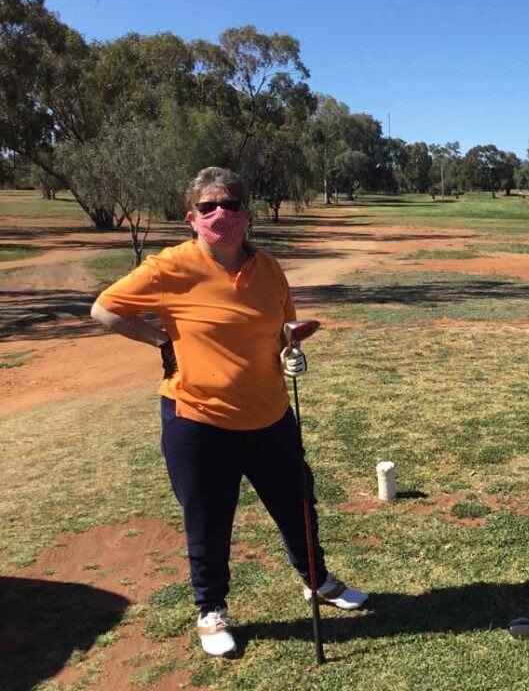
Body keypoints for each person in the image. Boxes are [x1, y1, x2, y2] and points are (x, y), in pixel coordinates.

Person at [91, 167, 367, 657]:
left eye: (232, 204)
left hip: (271, 416)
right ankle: (211, 609)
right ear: (190, 217)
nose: (222, 214)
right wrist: (161, 340)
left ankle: (317, 580)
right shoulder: (167, 268)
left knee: (297, 504)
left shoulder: (269, 267)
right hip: (197, 420)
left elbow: (283, 326)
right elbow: (106, 310)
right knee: (209, 519)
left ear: (248, 212)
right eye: (208, 207)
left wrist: (289, 350)